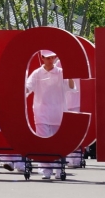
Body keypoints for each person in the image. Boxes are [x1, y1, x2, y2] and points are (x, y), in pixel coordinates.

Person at [25, 49, 71, 179]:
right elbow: (28, 87)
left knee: (58, 142)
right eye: (48, 58)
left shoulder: (61, 73)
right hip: (41, 112)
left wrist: (71, 75)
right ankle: (46, 170)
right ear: (42, 58)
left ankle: (58, 169)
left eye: (52, 58)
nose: (51, 61)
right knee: (43, 141)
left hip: (58, 111)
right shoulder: (37, 73)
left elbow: (71, 88)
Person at [64, 78, 83, 168]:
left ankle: (76, 158)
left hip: (77, 102)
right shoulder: (59, 63)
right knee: (67, 132)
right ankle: (68, 157)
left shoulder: (83, 64)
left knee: (76, 132)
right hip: (64, 102)